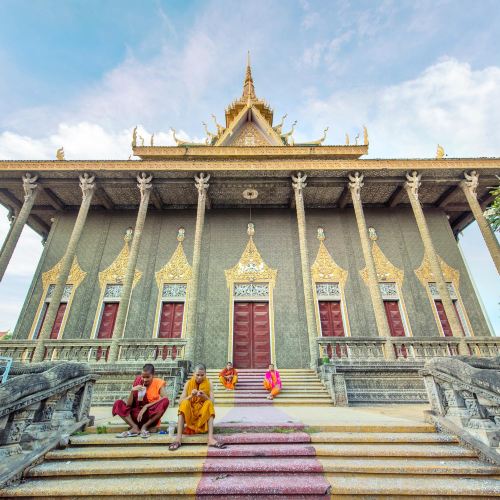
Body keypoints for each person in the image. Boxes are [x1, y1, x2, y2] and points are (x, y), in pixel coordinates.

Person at [169, 363, 226, 450]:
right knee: (184, 403)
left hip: (202, 415)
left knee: (209, 403)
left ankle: (210, 439)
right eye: (198, 375)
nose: (200, 377)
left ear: (205, 374)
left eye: (202, 375)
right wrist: (191, 396)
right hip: (190, 414)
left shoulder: (209, 383)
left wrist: (205, 396)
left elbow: (212, 402)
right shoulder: (188, 383)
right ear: (193, 374)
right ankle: (178, 438)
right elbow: (180, 402)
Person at [112, 363, 169, 439]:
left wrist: (146, 406)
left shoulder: (158, 382)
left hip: (149, 416)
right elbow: (129, 405)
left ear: (153, 375)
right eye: (143, 377)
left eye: (147, 377)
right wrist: (132, 391)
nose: (145, 380)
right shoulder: (138, 381)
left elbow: (165, 398)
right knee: (118, 403)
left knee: (165, 402)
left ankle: (145, 426)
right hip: (136, 415)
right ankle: (134, 427)